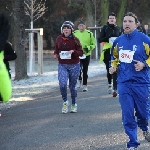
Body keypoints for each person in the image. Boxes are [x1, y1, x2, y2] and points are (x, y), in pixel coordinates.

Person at [109, 12, 150, 150]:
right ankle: (133, 143)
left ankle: (144, 127)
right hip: (124, 82)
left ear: (136, 24)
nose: (126, 23)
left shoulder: (145, 39)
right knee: (127, 114)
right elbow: (114, 58)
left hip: (141, 82)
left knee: (143, 113)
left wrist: (144, 64)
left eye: (130, 21)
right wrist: (113, 67)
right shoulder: (118, 41)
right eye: (125, 21)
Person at [54, 21, 83, 113]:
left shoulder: (75, 40)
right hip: (62, 64)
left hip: (74, 65)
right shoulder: (59, 39)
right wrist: (55, 54)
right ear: (62, 30)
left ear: (71, 30)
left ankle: (74, 104)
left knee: (72, 86)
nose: (66, 30)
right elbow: (56, 49)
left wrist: (73, 52)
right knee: (62, 84)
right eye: (64, 28)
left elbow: (81, 52)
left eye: (68, 28)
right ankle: (65, 102)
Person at [98, 12, 121, 97]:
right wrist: (108, 38)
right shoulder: (105, 28)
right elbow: (100, 39)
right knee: (109, 68)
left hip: (116, 51)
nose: (112, 19)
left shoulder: (118, 28)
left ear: (115, 20)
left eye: (113, 18)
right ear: (108, 20)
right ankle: (109, 84)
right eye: (110, 18)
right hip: (107, 51)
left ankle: (115, 88)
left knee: (116, 68)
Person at [73, 20, 96, 92]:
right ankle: (79, 79)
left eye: (82, 25)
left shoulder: (89, 33)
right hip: (77, 54)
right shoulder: (74, 33)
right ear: (78, 27)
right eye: (80, 26)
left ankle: (85, 85)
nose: (81, 27)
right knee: (77, 69)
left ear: (85, 26)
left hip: (86, 54)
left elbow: (93, 44)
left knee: (85, 70)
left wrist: (88, 48)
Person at [0, 14, 14, 117]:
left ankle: (6, 100)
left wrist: (5, 57)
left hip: (4, 68)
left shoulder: (6, 44)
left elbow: (14, 56)